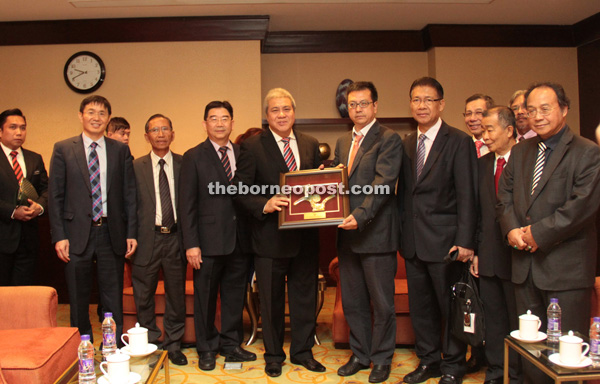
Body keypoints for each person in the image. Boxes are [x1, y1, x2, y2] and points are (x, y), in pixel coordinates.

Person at [497, 82, 600, 384]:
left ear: (564, 109)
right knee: (530, 351)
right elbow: (504, 197)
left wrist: (533, 235)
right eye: (531, 110)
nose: (537, 116)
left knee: (564, 357)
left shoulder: (587, 152)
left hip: (565, 270)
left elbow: (580, 208)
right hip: (525, 270)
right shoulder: (520, 151)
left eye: (546, 108)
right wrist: (512, 229)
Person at [233, 88, 324, 377]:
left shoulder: (310, 144)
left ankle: (302, 352)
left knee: (304, 299)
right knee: (270, 301)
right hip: (269, 238)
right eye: (275, 110)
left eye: (286, 109)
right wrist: (265, 203)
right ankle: (273, 355)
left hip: (305, 237)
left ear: (293, 112)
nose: (282, 115)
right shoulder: (252, 146)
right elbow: (239, 189)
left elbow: (313, 184)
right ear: (266, 115)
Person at [398, 77, 477, 384]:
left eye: (428, 100)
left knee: (450, 306)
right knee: (422, 308)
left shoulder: (458, 141)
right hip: (414, 243)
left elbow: (468, 195)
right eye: (416, 99)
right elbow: (405, 194)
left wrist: (466, 241)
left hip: (446, 244)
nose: (422, 105)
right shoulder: (406, 144)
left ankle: (454, 365)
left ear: (441, 104)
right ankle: (428, 361)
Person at [48, 95, 137, 342]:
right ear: (80, 116)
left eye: (101, 113)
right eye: (91, 112)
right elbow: (55, 196)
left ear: (108, 118)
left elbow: (130, 194)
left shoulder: (120, 150)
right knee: (78, 296)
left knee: (112, 295)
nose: (96, 117)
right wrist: (59, 236)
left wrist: (131, 232)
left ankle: (114, 348)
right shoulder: (63, 148)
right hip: (76, 234)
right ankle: (81, 347)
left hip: (111, 232)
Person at [332, 81, 402, 383]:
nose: (357, 109)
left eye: (363, 103)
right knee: (353, 301)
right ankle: (360, 354)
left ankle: (382, 358)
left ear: (375, 106)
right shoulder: (341, 142)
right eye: (352, 104)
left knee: (382, 303)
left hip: (375, 234)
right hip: (347, 237)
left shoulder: (389, 139)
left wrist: (359, 216)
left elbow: (383, 184)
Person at [180, 101, 256, 371]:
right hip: (207, 242)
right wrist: (191, 244)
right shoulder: (193, 156)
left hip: (240, 239)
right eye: (214, 118)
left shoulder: (243, 152)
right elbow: (186, 204)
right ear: (205, 124)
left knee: (235, 296)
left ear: (233, 123)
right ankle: (207, 348)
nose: (220, 123)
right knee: (206, 298)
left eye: (225, 118)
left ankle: (231, 345)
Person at [131, 114, 187, 365]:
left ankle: (174, 345)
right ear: (147, 136)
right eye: (155, 129)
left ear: (173, 133)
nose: (161, 133)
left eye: (165, 128)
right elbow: (129, 206)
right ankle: (151, 344)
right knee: (144, 295)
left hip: (176, 238)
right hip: (147, 239)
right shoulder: (135, 166)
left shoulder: (185, 164)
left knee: (176, 294)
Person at [470, 106, 519, 384]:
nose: (484, 136)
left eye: (490, 130)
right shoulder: (481, 164)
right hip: (488, 254)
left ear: (509, 131)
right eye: (483, 130)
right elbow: (477, 212)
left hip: (518, 256)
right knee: (494, 319)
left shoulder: (525, 161)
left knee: (517, 320)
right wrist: (476, 251)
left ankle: (517, 373)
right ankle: (496, 371)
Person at [0, 108, 48, 286]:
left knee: (23, 295)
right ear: (0, 131)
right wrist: (13, 212)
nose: (19, 132)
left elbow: (47, 189)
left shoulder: (34, 158)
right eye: (13, 127)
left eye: (23, 127)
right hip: (3, 237)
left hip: (28, 240)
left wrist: (40, 206)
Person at [464, 94, 494, 158]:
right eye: (468, 114)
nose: (472, 118)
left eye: (478, 113)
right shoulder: (462, 146)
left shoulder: (498, 146)